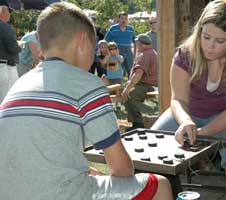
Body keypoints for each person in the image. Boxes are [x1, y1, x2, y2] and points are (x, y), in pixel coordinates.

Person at [0, 2, 173, 200]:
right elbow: (122, 169)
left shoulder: (21, 84)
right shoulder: (87, 84)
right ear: (82, 41)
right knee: (160, 185)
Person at [151, 1, 226, 200]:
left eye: (220, 41)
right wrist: (185, 122)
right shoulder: (184, 55)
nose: (210, 46)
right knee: (153, 142)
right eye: (206, 36)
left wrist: (201, 134)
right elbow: (178, 99)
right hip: (188, 113)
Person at [122, 34, 158, 130]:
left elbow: (138, 74)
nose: (136, 45)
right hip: (148, 84)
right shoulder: (152, 52)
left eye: (137, 43)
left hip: (147, 85)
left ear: (141, 44)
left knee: (129, 94)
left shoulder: (145, 55)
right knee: (128, 91)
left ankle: (138, 124)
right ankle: (137, 121)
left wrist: (128, 88)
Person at [0, 5, 21, 103]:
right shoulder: (4, 26)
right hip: (5, 68)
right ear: (2, 13)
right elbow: (13, 48)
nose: (9, 14)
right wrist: (19, 46)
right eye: (8, 11)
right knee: (8, 101)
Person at [105, 11, 136, 77]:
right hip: (117, 52)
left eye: (125, 18)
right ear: (119, 19)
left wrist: (135, 54)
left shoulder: (131, 29)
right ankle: (117, 86)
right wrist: (109, 53)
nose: (123, 20)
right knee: (117, 71)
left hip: (128, 52)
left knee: (131, 71)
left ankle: (129, 86)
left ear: (127, 20)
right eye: (122, 18)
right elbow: (106, 41)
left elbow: (135, 42)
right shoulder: (113, 28)